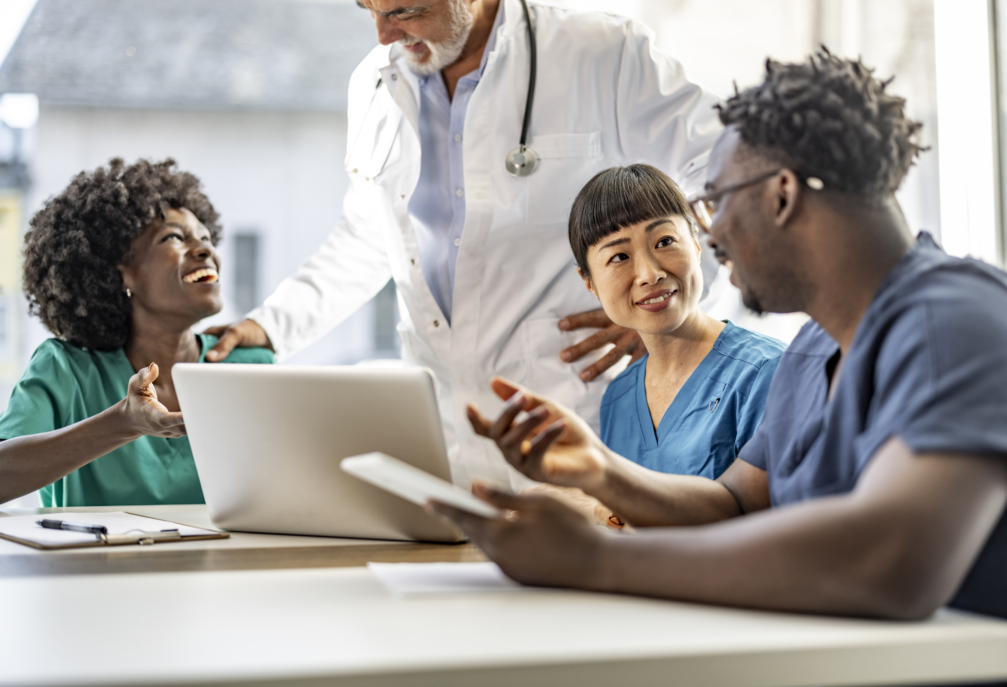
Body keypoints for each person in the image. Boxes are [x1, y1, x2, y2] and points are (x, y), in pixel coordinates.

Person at [432, 51, 1007, 626]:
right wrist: (602, 472)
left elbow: (892, 563)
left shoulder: (956, 320)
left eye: (716, 201)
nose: (714, 231)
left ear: (781, 195)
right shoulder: (814, 350)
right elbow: (734, 505)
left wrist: (596, 559)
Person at [203, 0, 724, 489]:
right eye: (370, 10)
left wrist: (674, 306)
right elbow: (370, 232)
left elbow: (725, 183)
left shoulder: (602, 52)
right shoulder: (375, 81)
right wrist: (273, 325)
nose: (384, 34)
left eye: (405, 11)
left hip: (585, 407)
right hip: (446, 426)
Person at [0, 159, 274, 508]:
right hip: (94, 563)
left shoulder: (253, 365)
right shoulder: (66, 369)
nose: (206, 250)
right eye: (174, 237)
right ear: (120, 275)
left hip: (237, 562)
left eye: (206, 238)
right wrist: (123, 424)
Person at [567, 164, 783, 480]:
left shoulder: (768, 372)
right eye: (619, 257)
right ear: (589, 283)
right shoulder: (617, 399)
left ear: (696, 245)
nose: (650, 273)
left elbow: (767, 517)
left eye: (665, 241)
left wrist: (598, 510)